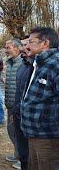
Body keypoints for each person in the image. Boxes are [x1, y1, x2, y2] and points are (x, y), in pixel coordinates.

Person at [21, 27, 59, 170]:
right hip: (34, 133)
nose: (27, 46)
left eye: (31, 42)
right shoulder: (37, 63)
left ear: (45, 43)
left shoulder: (55, 64)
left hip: (48, 136)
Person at [12, 36, 32, 170]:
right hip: (19, 115)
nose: (24, 48)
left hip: (35, 122)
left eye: (28, 44)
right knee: (24, 153)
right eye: (23, 45)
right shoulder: (23, 66)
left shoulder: (40, 67)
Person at [4, 39, 23, 167]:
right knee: (11, 130)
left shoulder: (24, 62)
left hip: (20, 105)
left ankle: (23, 159)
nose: (6, 50)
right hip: (10, 104)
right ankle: (17, 153)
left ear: (17, 48)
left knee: (20, 133)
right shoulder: (9, 62)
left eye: (8, 47)